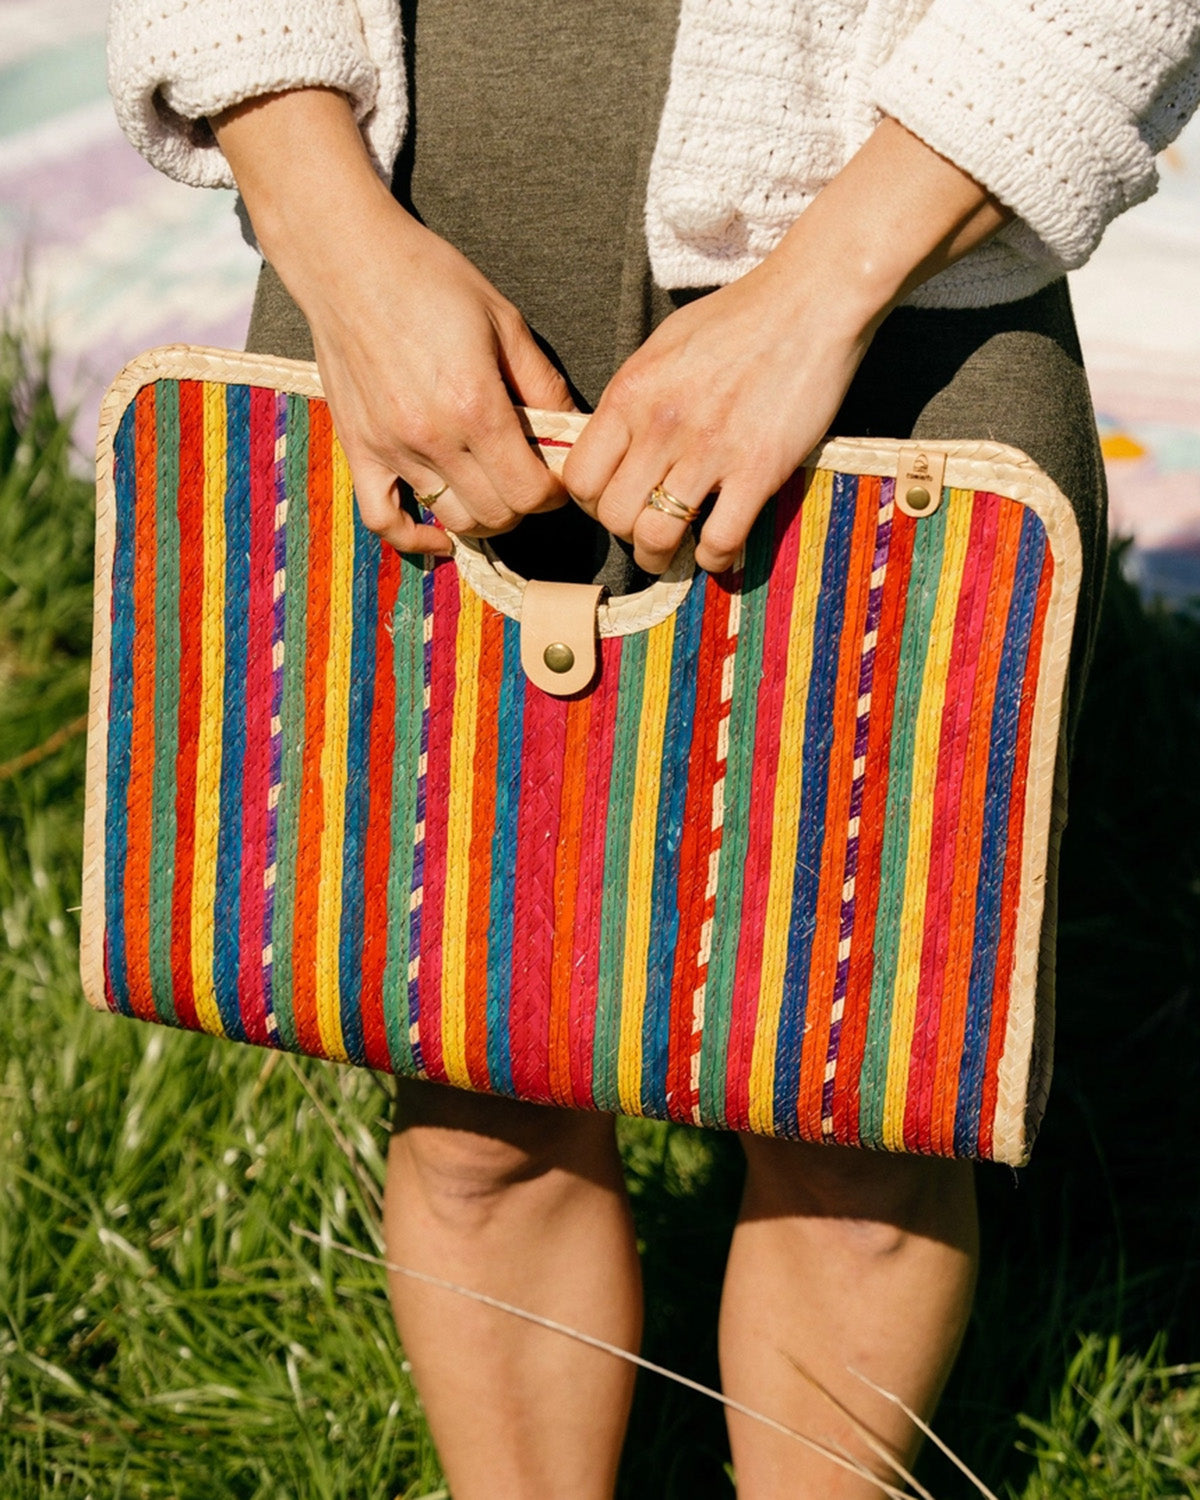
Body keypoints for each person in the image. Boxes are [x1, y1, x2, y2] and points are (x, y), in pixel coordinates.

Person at [107, 3, 1200, 1495]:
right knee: (476, 1096)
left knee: (858, 1123)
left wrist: (823, 288)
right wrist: (330, 229)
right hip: (415, 222)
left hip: (903, 235)